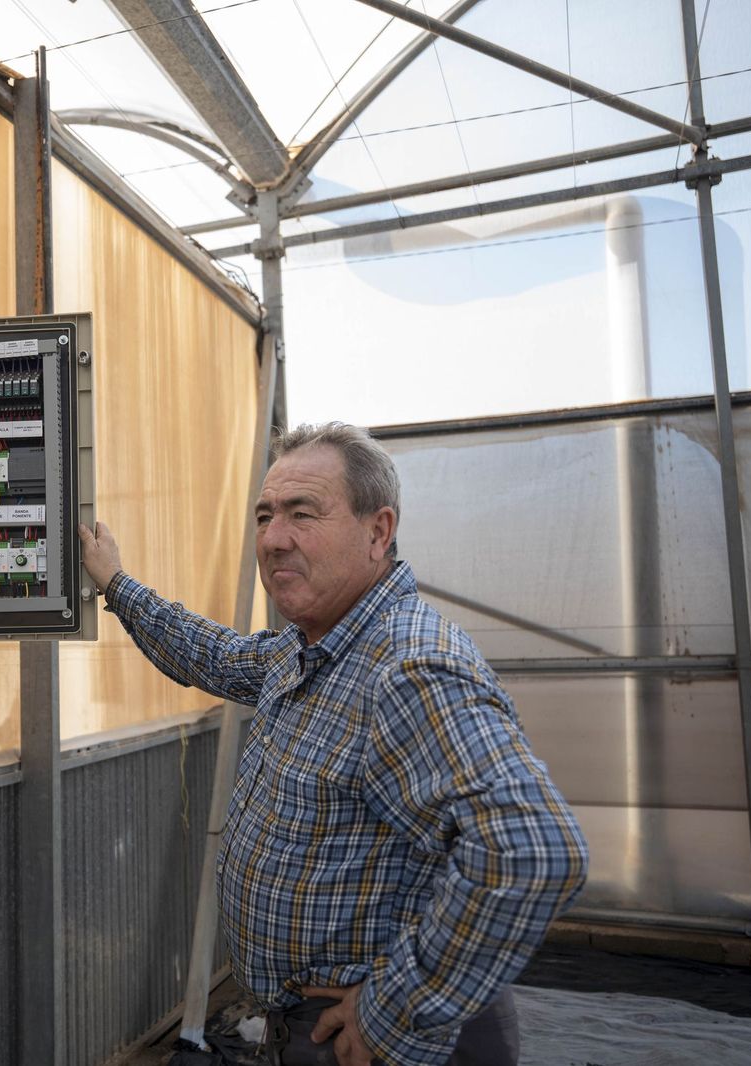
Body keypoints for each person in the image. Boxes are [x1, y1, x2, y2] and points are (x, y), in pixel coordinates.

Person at [77, 422, 588, 1066]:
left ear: (378, 531)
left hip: (368, 1042)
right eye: (264, 515)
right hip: (312, 1026)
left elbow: (534, 852)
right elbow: (216, 655)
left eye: (302, 514)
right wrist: (117, 585)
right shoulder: (312, 647)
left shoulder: (405, 668)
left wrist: (394, 1010)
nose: (272, 538)